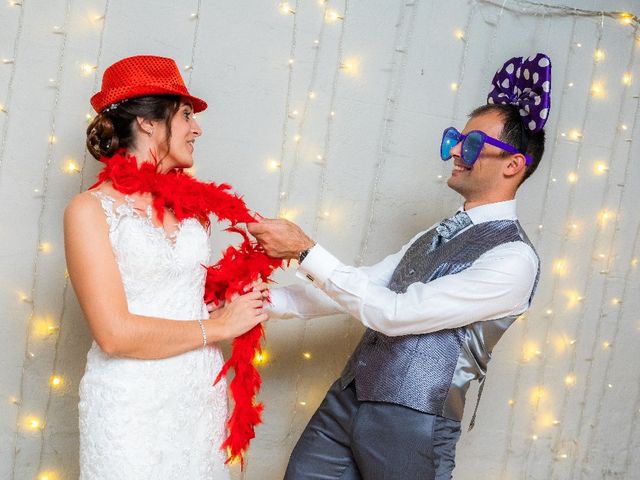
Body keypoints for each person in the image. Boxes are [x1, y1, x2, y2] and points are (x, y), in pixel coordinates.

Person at [247, 53, 551, 479]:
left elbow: (394, 314)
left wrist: (305, 249)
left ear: (514, 165)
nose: (458, 153)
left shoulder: (514, 259)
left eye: (474, 145)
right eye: (457, 140)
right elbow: (366, 285)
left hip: (415, 425)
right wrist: (261, 301)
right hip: (347, 400)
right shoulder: (439, 232)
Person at [64, 55, 269, 479]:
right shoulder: (89, 211)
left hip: (199, 396)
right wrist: (219, 327)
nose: (197, 129)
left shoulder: (193, 213)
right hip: (131, 405)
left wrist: (221, 300)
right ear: (148, 122)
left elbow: (174, 292)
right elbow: (114, 334)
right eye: (187, 115)